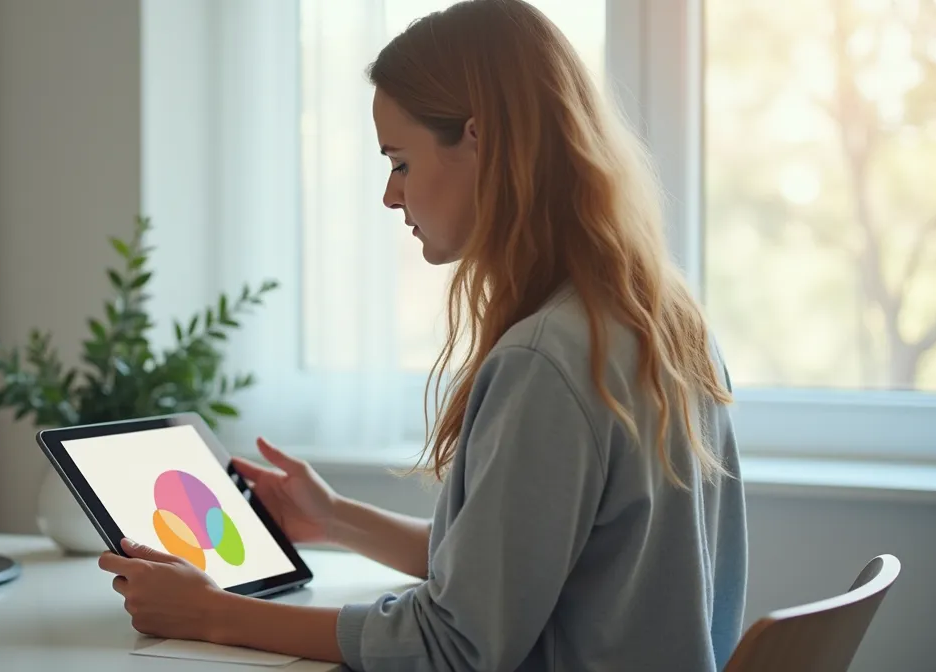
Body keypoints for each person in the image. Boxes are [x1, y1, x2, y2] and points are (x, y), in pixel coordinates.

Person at [97, 0, 747, 669]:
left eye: (400, 162)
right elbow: (514, 570)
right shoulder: (662, 320)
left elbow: (453, 645)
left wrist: (213, 614)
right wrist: (336, 518)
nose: (389, 194)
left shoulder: (547, 360)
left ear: (479, 139)